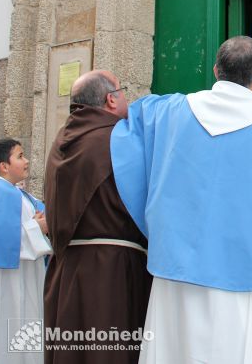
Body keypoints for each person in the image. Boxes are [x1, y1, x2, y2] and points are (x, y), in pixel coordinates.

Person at [110, 36, 252, 363]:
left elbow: (126, 137)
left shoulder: (168, 111)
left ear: (217, 70)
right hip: (244, 264)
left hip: (177, 259)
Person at [43, 70, 152, 364]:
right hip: (112, 270)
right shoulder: (120, 139)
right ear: (111, 100)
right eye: (123, 90)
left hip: (66, 269)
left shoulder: (60, 142)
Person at [0, 139, 51, 364]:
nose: (26, 161)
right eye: (20, 156)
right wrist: (38, 228)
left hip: (24, 274)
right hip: (2, 279)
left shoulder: (16, 192)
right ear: (4, 166)